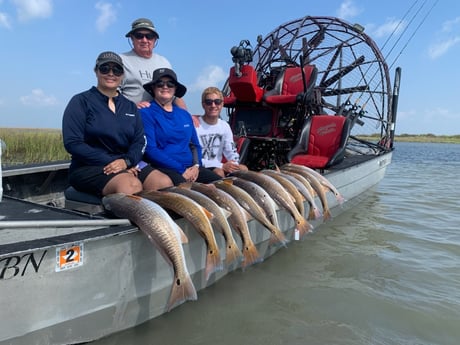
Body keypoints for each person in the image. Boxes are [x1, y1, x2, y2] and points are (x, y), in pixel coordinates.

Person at [62, 51, 173, 197]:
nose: (111, 73)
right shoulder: (80, 102)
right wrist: (116, 163)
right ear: (96, 71)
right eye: (104, 68)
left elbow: (139, 141)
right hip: (89, 166)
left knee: (163, 183)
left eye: (117, 70)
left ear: (122, 74)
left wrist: (126, 161)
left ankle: (157, 220)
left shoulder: (130, 107)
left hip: (126, 163)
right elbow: (73, 143)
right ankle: (125, 219)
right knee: (130, 186)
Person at [140, 68, 222, 185]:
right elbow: (151, 150)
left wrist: (196, 166)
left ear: (175, 89)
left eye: (170, 84)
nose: (165, 87)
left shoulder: (184, 114)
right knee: (188, 192)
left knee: (221, 185)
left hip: (192, 168)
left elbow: (195, 145)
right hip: (165, 168)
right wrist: (181, 170)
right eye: (160, 84)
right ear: (153, 88)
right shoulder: (146, 113)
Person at [120, 18, 186, 109]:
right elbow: (112, 94)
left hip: (160, 119)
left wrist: (187, 116)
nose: (144, 40)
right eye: (139, 36)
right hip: (131, 119)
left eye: (149, 36)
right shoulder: (121, 61)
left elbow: (175, 95)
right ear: (132, 38)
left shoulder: (164, 62)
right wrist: (132, 107)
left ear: (155, 39)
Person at [194, 87, 248, 177]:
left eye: (217, 102)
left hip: (218, 166)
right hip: (201, 166)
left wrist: (235, 164)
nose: (213, 105)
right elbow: (194, 157)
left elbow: (230, 151)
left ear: (222, 104)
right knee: (219, 172)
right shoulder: (195, 125)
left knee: (244, 169)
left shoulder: (224, 126)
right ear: (203, 105)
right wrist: (222, 165)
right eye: (209, 102)